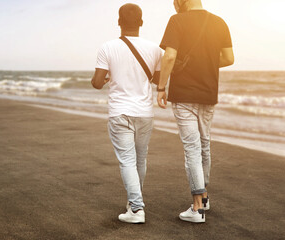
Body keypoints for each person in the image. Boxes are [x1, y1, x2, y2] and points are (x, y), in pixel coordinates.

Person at [156, 0, 234, 223]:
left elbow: (169, 56)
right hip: (208, 94)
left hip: (184, 95)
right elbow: (229, 58)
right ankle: (205, 197)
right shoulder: (220, 22)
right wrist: (205, 63)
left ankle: (197, 208)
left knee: (192, 147)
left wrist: (161, 87)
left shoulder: (177, 20)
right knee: (204, 143)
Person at [91, 3, 162, 224]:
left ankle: (137, 209)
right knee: (140, 160)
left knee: (127, 161)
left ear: (119, 22)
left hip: (120, 111)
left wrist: (107, 77)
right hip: (144, 112)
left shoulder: (108, 47)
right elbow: (159, 80)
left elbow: (96, 83)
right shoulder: (155, 49)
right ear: (141, 22)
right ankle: (134, 202)